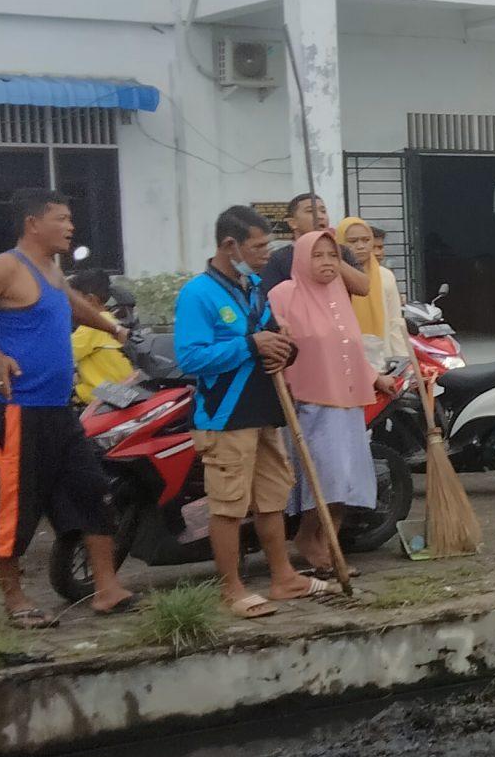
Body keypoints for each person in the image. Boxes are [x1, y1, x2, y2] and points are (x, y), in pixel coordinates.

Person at [0, 192, 135, 628]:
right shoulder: (8, 266)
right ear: (33, 223)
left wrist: (113, 328)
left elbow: (72, 302)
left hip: (59, 410)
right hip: (17, 411)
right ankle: (15, 599)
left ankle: (107, 589)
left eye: (70, 218)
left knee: (93, 490)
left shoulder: (51, 269)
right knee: (15, 506)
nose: (71, 227)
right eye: (62, 218)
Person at [173, 206, 326, 620]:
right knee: (228, 505)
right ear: (230, 245)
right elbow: (190, 358)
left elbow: (272, 335)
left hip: (265, 409)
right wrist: (250, 345)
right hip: (225, 416)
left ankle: (283, 577)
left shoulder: (255, 287)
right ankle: (232, 589)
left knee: (271, 499)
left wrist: (283, 347)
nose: (266, 254)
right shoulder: (198, 294)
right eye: (258, 246)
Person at [271, 230, 397, 575]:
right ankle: (307, 538)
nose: (327, 263)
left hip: (348, 399)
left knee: (349, 478)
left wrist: (374, 376)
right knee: (326, 475)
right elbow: (277, 348)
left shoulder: (338, 292)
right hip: (310, 403)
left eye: (332, 255)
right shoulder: (283, 295)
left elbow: (347, 346)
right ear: (301, 259)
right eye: (318, 256)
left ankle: (329, 547)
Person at [260, 192, 370, 299]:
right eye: (310, 211)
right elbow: (271, 298)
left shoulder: (342, 251)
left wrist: (332, 256)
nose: (320, 216)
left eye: (323, 211)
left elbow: (363, 288)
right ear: (292, 223)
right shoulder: (279, 258)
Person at [338, 216, 406, 373]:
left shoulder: (386, 276)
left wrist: (402, 359)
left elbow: (395, 321)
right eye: (353, 241)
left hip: (382, 358)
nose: (361, 246)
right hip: (345, 359)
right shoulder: (332, 277)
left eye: (366, 240)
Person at [67, 270, 135, 405]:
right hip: (124, 394)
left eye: (73, 301)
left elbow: (58, 356)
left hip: (109, 399)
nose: (69, 306)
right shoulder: (111, 321)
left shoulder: (92, 327)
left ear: (90, 300)